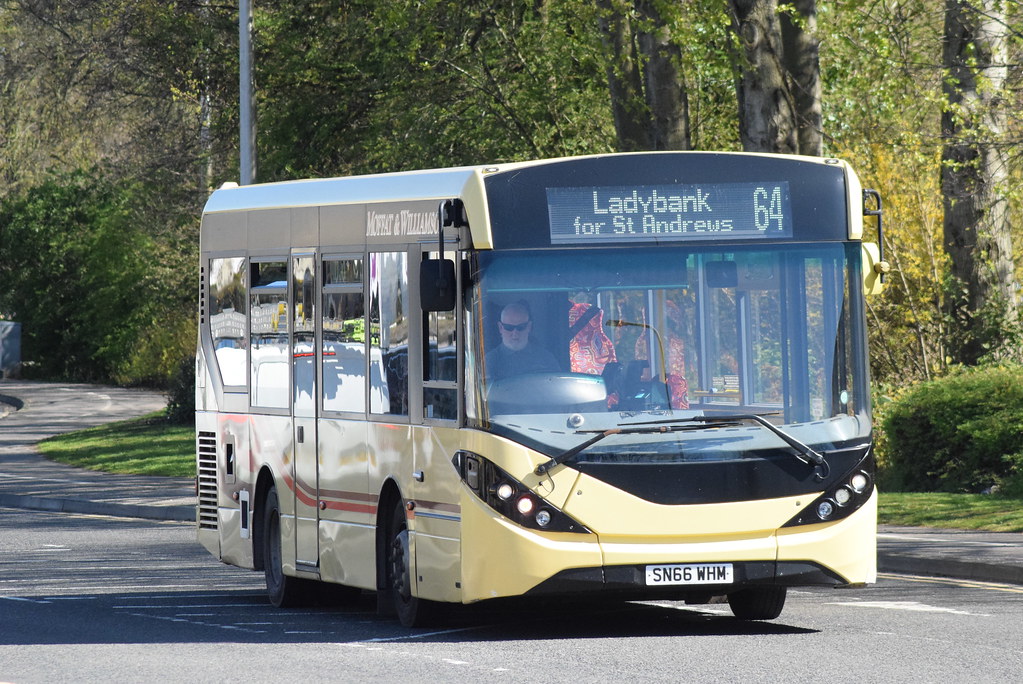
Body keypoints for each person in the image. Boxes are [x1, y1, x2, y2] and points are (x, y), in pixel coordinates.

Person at [484, 300, 559, 381]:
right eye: (509, 327)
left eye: (521, 327)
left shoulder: (546, 359)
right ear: (500, 328)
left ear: (529, 327)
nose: (515, 333)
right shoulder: (489, 362)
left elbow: (557, 386)